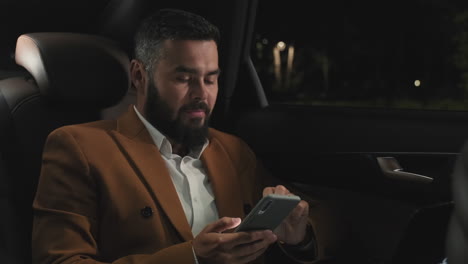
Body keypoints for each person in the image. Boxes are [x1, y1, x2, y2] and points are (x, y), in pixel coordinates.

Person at [32, 8, 316, 264]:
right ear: (139, 76)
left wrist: (299, 237)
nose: (201, 94)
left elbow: (313, 224)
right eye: (184, 78)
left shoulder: (234, 150)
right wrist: (192, 257)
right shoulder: (79, 147)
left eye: (211, 79)